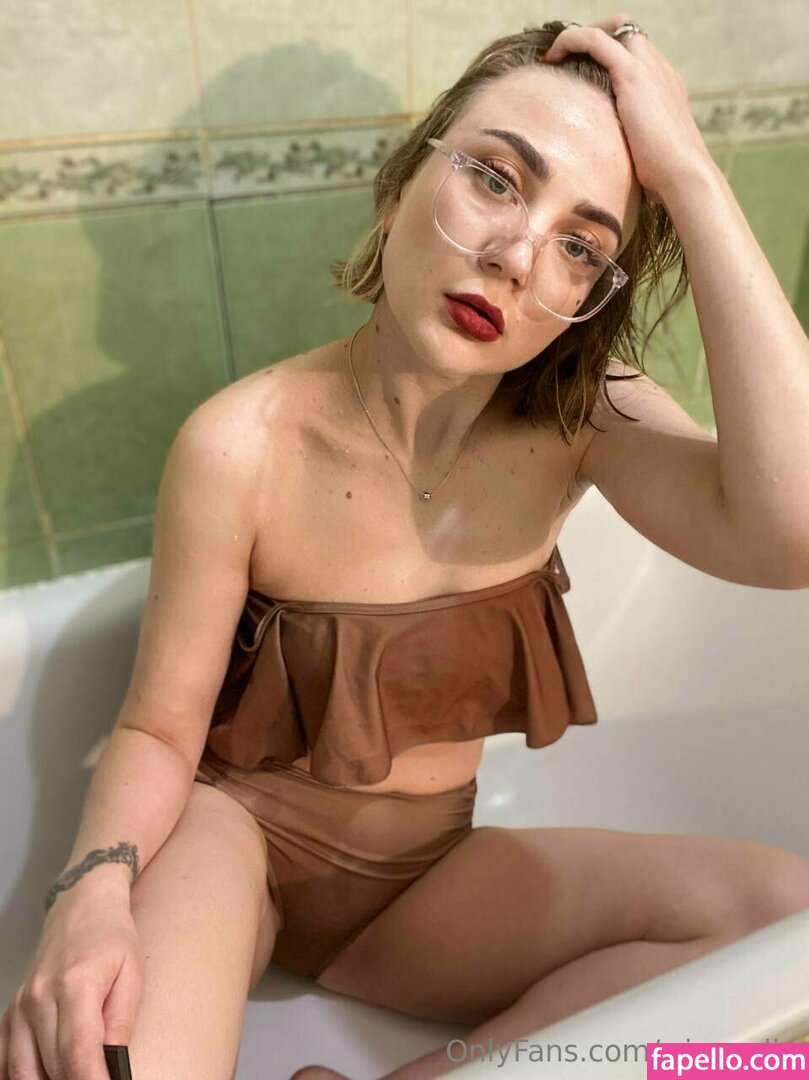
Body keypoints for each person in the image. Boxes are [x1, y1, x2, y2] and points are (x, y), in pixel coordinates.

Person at [3, 13, 809, 1080]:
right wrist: (90, 892)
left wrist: (692, 180)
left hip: (422, 885)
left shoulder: (583, 419)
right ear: (398, 190)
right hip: (231, 842)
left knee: (786, 932)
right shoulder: (242, 444)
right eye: (494, 179)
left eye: (580, 246)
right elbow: (157, 727)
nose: (514, 258)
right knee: (80, 1062)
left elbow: (791, 535)